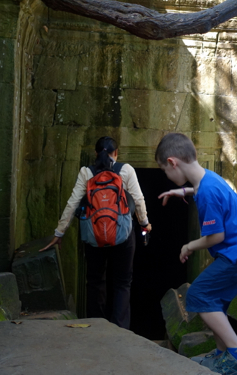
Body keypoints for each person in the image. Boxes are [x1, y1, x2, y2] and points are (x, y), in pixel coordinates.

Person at [156, 133, 237, 375]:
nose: (166, 176)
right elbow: (200, 189)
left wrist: (189, 246)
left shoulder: (206, 193)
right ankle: (222, 355)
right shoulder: (208, 178)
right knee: (215, 301)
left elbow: (216, 237)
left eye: (164, 170)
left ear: (173, 162)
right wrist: (181, 192)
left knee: (199, 294)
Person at [41, 136, 151, 329]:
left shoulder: (87, 172)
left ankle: (96, 326)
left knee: (94, 280)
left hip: (94, 236)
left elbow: (73, 203)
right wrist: (145, 224)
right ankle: (120, 330)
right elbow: (139, 200)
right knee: (122, 282)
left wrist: (59, 233)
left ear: (95, 153)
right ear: (116, 153)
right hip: (123, 236)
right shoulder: (126, 170)